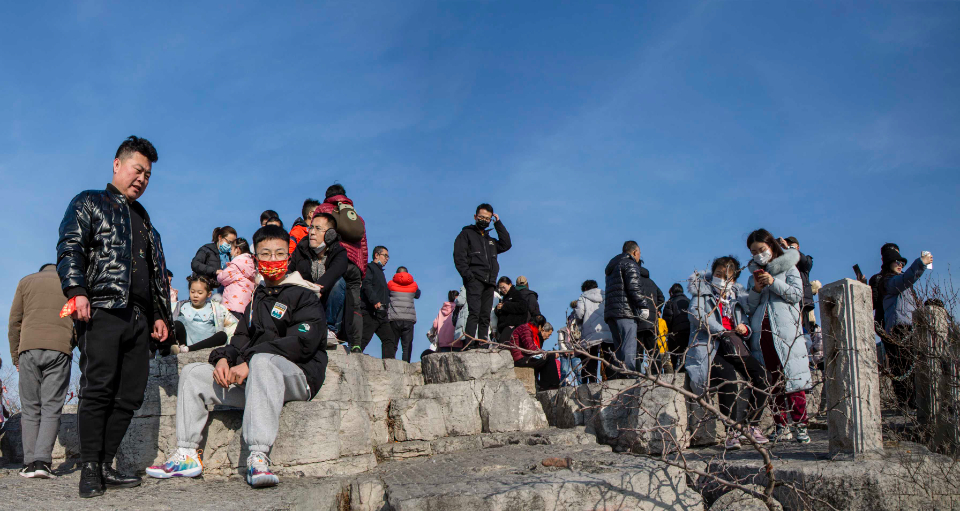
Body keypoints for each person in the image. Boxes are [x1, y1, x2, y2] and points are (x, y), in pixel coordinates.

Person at [146, 225, 328, 488]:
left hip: (298, 377)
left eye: (280, 254)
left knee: (262, 362)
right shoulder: (258, 298)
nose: (273, 260)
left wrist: (249, 361)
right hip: (258, 383)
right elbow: (240, 338)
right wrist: (223, 358)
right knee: (193, 374)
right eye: (266, 254)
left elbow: (303, 342)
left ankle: (258, 455)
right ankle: (187, 453)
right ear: (255, 259)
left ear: (289, 257)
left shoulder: (305, 295)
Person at [56, 136, 170, 497]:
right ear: (117, 164)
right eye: (138, 170)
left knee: (130, 393)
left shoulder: (146, 222)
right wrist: (77, 291)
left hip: (138, 318)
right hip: (102, 309)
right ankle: (90, 467)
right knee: (99, 388)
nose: (142, 178)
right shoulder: (90, 202)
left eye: (148, 175)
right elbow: (70, 247)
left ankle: (106, 464)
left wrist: (159, 314)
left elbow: (155, 274)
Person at [685, 257, 771, 450]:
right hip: (711, 345)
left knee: (763, 377)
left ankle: (751, 425)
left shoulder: (737, 298)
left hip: (735, 344)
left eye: (727, 277)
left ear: (734, 280)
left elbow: (746, 321)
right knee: (729, 379)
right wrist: (721, 331)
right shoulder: (702, 292)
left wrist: (744, 329)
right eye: (718, 274)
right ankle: (731, 431)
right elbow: (696, 314)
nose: (721, 279)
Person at [8, 264, 75, 479]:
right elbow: (78, 321)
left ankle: (28, 465)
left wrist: (15, 355)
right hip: (59, 350)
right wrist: (68, 344)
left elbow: (14, 322)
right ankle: (42, 463)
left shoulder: (26, 282)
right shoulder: (70, 284)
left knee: (30, 408)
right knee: (51, 407)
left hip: (29, 348)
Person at [745, 229, 812, 443]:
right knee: (773, 381)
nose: (758, 255)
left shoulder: (789, 267)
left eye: (761, 250)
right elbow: (750, 307)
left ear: (772, 246)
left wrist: (774, 282)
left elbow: (796, 295)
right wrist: (756, 289)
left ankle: (801, 425)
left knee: (793, 380)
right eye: (753, 251)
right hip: (762, 335)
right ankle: (781, 425)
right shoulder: (752, 276)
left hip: (786, 332)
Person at [314, 185, 367, 353]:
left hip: (337, 258)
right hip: (356, 264)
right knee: (355, 304)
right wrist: (362, 271)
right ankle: (356, 343)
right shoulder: (356, 216)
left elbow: (316, 234)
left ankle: (330, 331)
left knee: (332, 290)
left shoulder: (323, 209)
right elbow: (364, 246)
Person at [879, 247, 933, 409]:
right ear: (888, 263)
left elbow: (909, 281)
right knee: (902, 365)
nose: (900, 264)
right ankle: (906, 401)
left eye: (902, 262)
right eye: (897, 261)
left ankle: (914, 401)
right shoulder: (888, 282)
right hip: (898, 329)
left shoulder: (903, 283)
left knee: (912, 366)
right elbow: (906, 280)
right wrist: (920, 264)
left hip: (910, 328)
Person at [453, 204, 511, 345]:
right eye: (481, 217)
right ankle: (470, 343)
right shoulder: (466, 234)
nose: (484, 220)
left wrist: (498, 224)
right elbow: (459, 257)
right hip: (474, 279)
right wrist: (468, 276)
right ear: (475, 217)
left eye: (487, 218)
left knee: (485, 315)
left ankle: (483, 342)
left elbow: (506, 244)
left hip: (490, 281)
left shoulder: (490, 240)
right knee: (474, 313)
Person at [288, 213, 349, 339]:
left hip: (327, 306)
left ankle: (330, 329)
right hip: (305, 303)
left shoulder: (339, 252)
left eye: (318, 228)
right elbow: (289, 271)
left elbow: (337, 270)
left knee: (339, 282)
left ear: (330, 234)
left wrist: (318, 288)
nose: (312, 232)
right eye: (311, 228)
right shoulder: (301, 248)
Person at [603, 241, 652, 377]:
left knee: (619, 347)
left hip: (612, 313)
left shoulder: (612, 267)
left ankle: (621, 376)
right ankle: (630, 376)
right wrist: (643, 305)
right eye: (639, 253)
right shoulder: (630, 264)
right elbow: (634, 287)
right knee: (629, 345)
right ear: (635, 252)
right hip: (625, 311)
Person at [172, 275, 238, 353]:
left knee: (222, 335)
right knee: (177, 324)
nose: (195, 295)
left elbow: (233, 325)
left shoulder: (216, 308)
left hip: (207, 345)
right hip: (184, 344)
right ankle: (182, 349)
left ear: (209, 294)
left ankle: (189, 349)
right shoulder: (180, 306)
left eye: (200, 293)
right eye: (192, 292)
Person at [573, 280, 612, 383]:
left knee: (591, 358)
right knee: (609, 357)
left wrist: (579, 323)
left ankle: (592, 381)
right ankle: (612, 380)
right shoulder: (606, 295)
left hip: (590, 331)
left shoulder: (583, 297)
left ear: (585, 289)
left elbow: (579, 314)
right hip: (607, 330)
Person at [510, 317, 561, 391]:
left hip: (524, 357)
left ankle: (549, 385)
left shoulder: (529, 330)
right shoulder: (526, 329)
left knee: (548, 356)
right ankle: (551, 385)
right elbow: (530, 347)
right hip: (521, 359)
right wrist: (544, 353)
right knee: (549, 356)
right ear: (540, 325)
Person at [359, 246, 392, 354]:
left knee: (389, 339)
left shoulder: (380, 271)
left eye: (388, 256)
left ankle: (389, 368)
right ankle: (353, 360)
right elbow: (366, 285)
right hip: (371, 311)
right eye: (385, 255)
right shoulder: (370, 268)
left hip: (382, 313)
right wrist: (375, 301)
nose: (387, 258)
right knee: (363, 339)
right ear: (376, 255)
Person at [385, 266, 421, 361]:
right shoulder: (414, 286)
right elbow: (418, 295)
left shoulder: (390, 285)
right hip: (408, 319)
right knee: (407, 346)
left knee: (393, 344)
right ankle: (406, 365)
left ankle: (391, 364)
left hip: (394, 318)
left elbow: (385, 294)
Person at [217, 238, 256, 321]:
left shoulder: (236, 264)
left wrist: (220, 272)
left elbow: (222, 278)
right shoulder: (252, 263)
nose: (230, 252)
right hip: (245, 306)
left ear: (237, 250)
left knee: (230, 331)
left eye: (231, 249)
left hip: (233, 304)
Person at [636, 261, 665, 374]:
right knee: (653, 349)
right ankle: (657, 372)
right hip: (652, 322)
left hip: (639, 319)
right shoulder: (652, 282)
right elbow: (661, 297)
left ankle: (638, 373)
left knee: (637, 350)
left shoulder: (634, 280)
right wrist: (656, 309)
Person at [661, 283, 691, 371]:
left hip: (676, 333)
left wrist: (669, 332)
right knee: (687, 353)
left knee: (675, 354)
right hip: (689, 331)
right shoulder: (688, 301)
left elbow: (667, 319)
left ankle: (677, 371)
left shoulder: (670, 302)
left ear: (672, 292)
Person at [495, 277, 529, 343]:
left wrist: (504, 306)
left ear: (510, 284)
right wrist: (498, 309)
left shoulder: (515, 294)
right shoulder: (505, 297)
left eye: (503, 287)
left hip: (513, 325)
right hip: (505, 326)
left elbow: (523, 306)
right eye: (500, 288)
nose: (502, 290)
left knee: (504, 345)